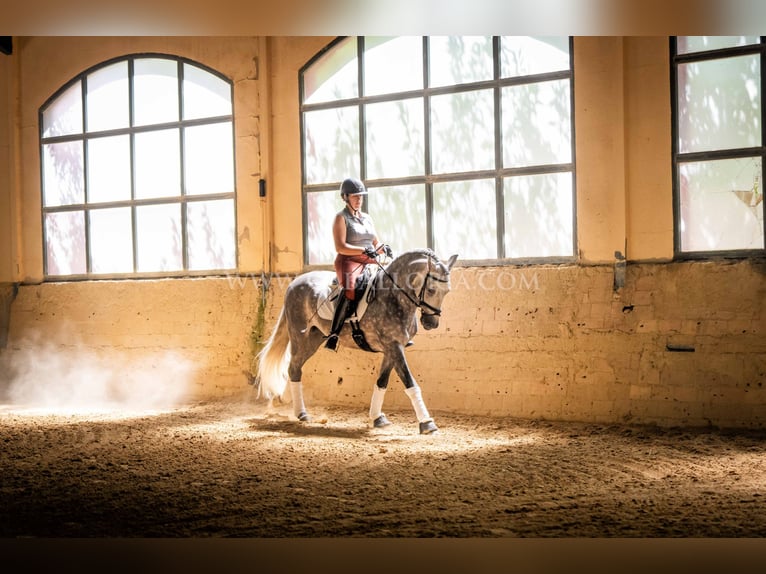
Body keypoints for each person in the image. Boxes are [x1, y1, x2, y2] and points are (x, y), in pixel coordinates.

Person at [325, 177, 390, 351]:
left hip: (369, 260)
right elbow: (340, 246)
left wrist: (383, 248)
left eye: (361, 196)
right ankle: (334, 333)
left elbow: (375, 242)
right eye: (355, 196)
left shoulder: (367, 218)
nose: (359, 200)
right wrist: (362, 251)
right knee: (351, 288)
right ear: (345, 197)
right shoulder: (341, 218)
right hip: (348, 260)